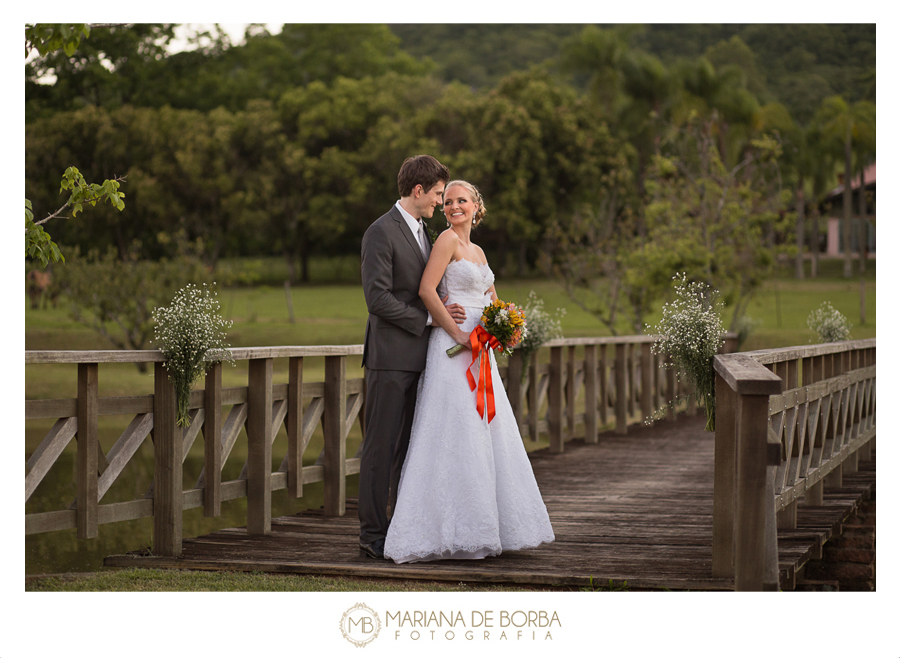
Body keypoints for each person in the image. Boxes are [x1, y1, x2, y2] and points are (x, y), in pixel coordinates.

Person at [383, 180, 555, 563]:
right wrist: (457, 331)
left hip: (482, 351)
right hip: (452, 348)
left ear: (477, 206)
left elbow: (491, 298)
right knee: (454, 426)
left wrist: (505, 326)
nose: (453, 206)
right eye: (447, 202)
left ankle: (487, 525)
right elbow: (429, 290)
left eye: (461, 200)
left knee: (484, 427)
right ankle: (442, 529)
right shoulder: (446, 241)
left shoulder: (477, 250)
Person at [358, 155, 467, 560]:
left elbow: (429, 285)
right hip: (389, 358)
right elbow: (377, 298)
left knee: (410, 450)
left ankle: (401, 529)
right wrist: (428, 319)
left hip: (425, 359)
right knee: (380, 449)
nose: (442, 202)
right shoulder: (380, 232)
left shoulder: (425, 232)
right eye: (439, 194)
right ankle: (371, 536)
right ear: (418, 191)